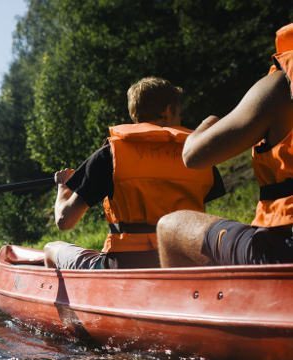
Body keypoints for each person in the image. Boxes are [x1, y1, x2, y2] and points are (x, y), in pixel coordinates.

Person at [44, 76, 226, 269]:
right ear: (169, 110)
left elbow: (64, 221)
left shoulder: (110, 155)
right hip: (187, 261)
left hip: (126, 266)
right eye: (179, 113)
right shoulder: (197, 154)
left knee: (51, 248)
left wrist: (63, 186)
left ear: (134, 114)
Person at [157, 23, 293, 266]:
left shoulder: (279, 86)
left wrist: (206, 124)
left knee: (170, 226)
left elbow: (192, 155)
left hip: (282, 250)